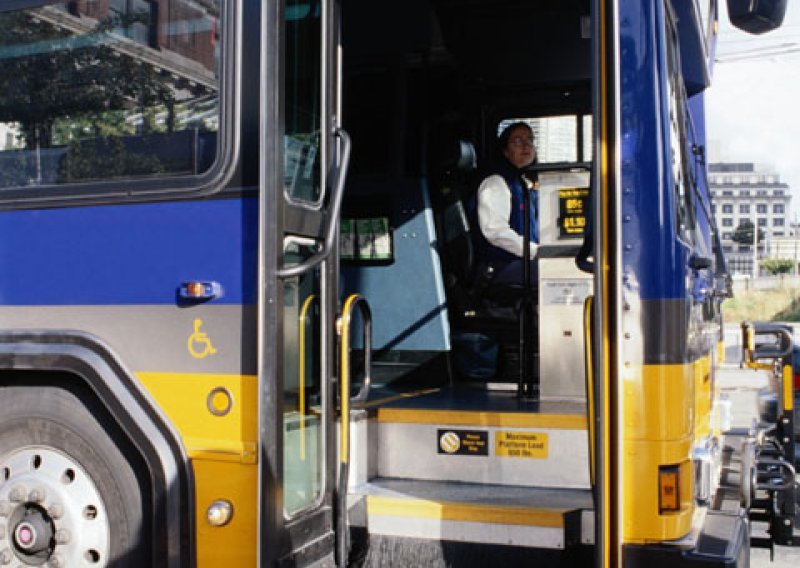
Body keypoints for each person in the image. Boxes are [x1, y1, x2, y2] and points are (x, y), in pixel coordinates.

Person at [475, 121, 538, 287]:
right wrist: (535, 251)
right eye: (517, 141)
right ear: (505, 151)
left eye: (530, 139)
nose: (526, 145)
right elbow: (495, 232)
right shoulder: (496, 182)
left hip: (521, 260)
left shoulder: (525, 184)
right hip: (500, 267)